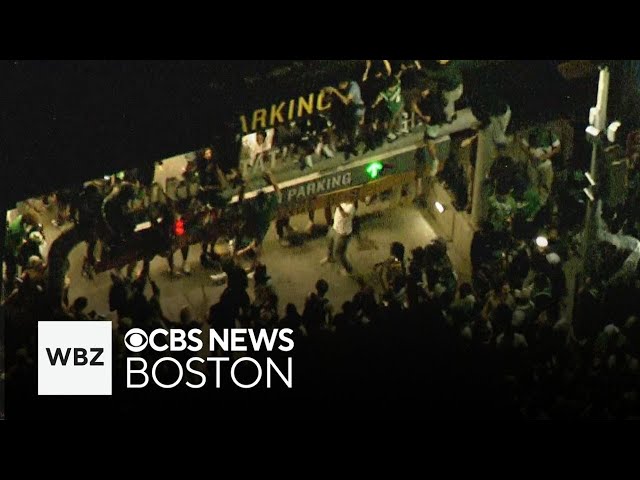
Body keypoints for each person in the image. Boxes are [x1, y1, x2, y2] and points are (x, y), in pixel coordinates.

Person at [323, 80, 366, 160]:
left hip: (355, 112)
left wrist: (335, 91)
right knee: (348, 132)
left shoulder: (352, 88)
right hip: (351, 113)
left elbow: (346, 101)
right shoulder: (352, 85)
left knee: (351, 133)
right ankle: (351, 147)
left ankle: (352, 148)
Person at [320, 189, 358, 276]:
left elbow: (344, 215)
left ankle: (348, 269)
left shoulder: (352, 207)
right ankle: (329, 258)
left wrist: (338, 206)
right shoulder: (343, 201)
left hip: (343, 233)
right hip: (335, 228)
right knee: (329, 242)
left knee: (340, 253)